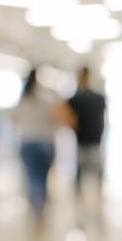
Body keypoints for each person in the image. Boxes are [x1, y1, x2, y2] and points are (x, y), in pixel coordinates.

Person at [11, 66, 74, 226]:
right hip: (46, 142)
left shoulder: (23, 97)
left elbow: (14, 118)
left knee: (32, 178)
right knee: (43, 178)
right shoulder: (49, 95)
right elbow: (62, 117)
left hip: (27, 142)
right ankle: (40, 209)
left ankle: (35, 210)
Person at [67, 66, 108, 195]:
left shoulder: (75, 99)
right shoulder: (98, 98)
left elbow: (67, 116)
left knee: (81, 169)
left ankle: (79, 195)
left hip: (84, 139)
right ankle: (98, 193)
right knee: (95, 170)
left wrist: (74, 127)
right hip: (94, 138)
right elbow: (102, 120)